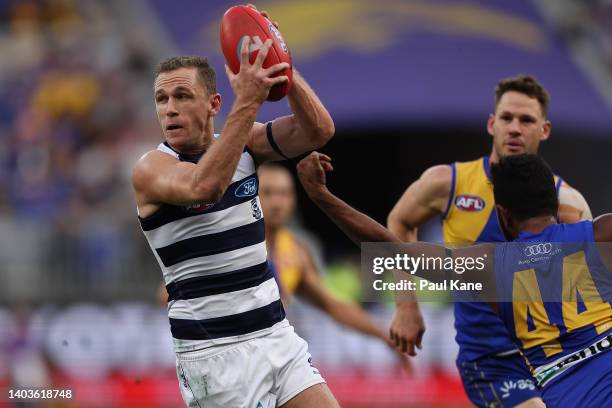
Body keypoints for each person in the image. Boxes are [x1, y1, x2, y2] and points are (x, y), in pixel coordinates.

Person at [131, 6, 339, 407]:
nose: (169, 108)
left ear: (213, 104)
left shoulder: (245, 143)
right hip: (214, 355)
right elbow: (205, 186)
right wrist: (248, 100)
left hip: (277, 335)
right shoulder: (151, 169)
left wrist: (282, 66)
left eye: (181, 96)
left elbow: (318, 130)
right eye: (161, 98)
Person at [296, 151, 611, 406]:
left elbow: (390, 248)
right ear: (556, 203)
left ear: (503, 214)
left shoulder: (487, 266)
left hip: (566, 392)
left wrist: (322, 196)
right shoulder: (601, 234)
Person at [386, 75, 592, 407]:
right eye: (507, 118)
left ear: (545, 130)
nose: (515, 128)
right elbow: (399, 222)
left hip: (554, 358)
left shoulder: (568, 203)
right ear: (491, 124)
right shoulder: (447, 183)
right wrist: (406, 305)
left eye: (526, 120)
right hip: (491, 362)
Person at [258, 163, 410, 368]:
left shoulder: (296, 252)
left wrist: (384, 336)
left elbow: (333, 305)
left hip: (274, 358)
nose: (277, 202)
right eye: (267, 193)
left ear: (294, 200)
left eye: (284, 194)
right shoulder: (234, 246)